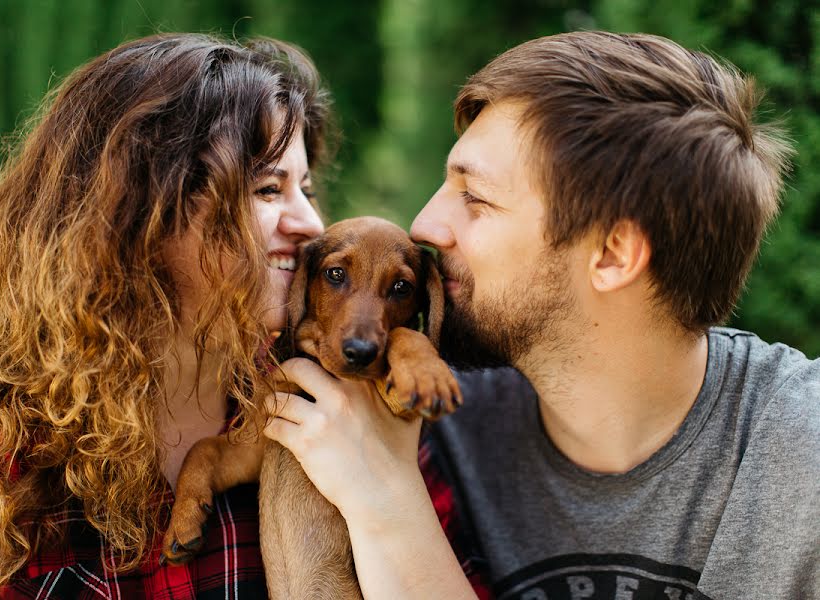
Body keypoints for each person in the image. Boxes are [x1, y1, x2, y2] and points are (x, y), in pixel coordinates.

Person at [265, 31, 819, 599]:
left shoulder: (801, 452)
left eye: (475, 198)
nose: (425, 226)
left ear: (611, 255)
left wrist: (386, 499)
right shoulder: (425, 408)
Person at [0, 32, 334, 599]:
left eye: (306, 189)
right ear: (138, 211)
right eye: (267, 189)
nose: (311, 224)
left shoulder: (318, 406)